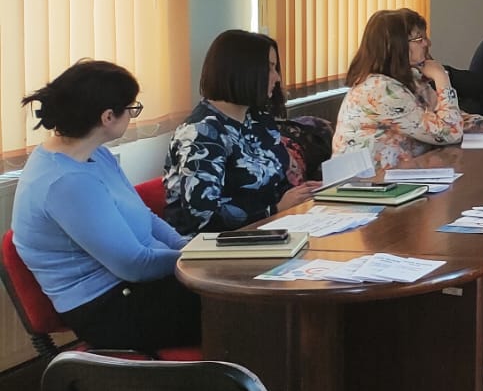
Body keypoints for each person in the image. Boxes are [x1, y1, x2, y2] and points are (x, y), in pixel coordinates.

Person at [12, 60, 198, 351]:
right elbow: (134, 265)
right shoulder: (65, 182)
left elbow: (144, 215)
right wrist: (193, 261)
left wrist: (186, 247)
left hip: (139, 286)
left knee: (237, 292)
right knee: (238, 308)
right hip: (109, 308)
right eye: (131, 108)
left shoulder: (95, 155)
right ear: (108, 117)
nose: (133, 115)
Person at [162, 30, 322, 234]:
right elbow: (202, 218)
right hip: (216, 244)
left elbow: (277, 183)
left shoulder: (258, 119)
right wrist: (275, 209)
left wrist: (304, 194)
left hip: (270, 229)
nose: (277, 78)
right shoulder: (201, 133)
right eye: (269, 68)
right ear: (243, 71)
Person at [335, 9, 483, 170]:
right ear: (395, 46)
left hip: (401, 180)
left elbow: (451, 119)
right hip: (366, 189)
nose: (428, 43)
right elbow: (449, 132)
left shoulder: (409, 79)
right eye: (419, 39)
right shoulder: (380, 90)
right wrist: (442, 78)